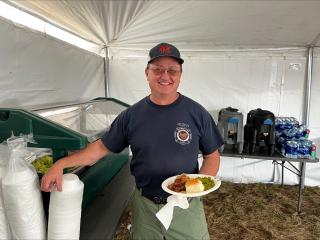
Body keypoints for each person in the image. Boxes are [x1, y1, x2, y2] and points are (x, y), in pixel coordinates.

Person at [41, 42, 223, 239]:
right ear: (147, 72)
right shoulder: (131, 115)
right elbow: (101, 147)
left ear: (180, 75)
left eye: (172, 70)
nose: (165, 76)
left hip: (185, 205)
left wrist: (196, 188)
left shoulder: (196, 113)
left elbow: (212, 156)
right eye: (158, 70)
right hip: (145, 205)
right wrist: (61, 164)